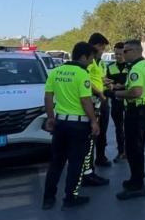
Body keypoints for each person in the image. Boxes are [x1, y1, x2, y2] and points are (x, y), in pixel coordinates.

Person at [42, 42, 101, 210]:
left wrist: (51, 118)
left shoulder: (56, 72)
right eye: (91, 58)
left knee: (56, 162)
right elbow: (85, 100)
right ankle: (70, 197)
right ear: (84, 56)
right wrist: (94, 121)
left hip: (60, 123)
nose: (92, 62)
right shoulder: (82, 75)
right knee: (76, 162)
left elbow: (48, 97)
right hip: (78, 125)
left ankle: (48, 198)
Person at [104, 39, 145, 200]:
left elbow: (136, 92)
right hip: (143, 111)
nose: (122, 54)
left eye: (125, 51)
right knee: (137, 148)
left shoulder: (135, 69)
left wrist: (114, 94)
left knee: (134, 149)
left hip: (136, 112)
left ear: (134, 51)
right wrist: (122, 87)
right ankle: (136, 179)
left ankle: (137, 186)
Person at [83, 33, 111, 183]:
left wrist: (105, 82)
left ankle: (100, 157)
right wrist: (99, 92)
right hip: (94, 101)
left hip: (102, 100)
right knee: (92, 135)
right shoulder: (89, 61)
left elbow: (97, 78)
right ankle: (89, 169)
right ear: (96, 46)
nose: (103, 51)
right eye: (102, 48)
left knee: (102, 132)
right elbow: (86, 80)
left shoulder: (100, 63)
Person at [105, 42, 128, 163]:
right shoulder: (110, 67)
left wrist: (122, 86)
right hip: (116, 102)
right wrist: (112, 86)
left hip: (129, 101)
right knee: (119, 128)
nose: (118, 56)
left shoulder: (131, 67)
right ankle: (121, 152)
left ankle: (130, 151)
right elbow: (107, 83)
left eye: (120, 53)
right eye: (116, 54)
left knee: (129, 128)